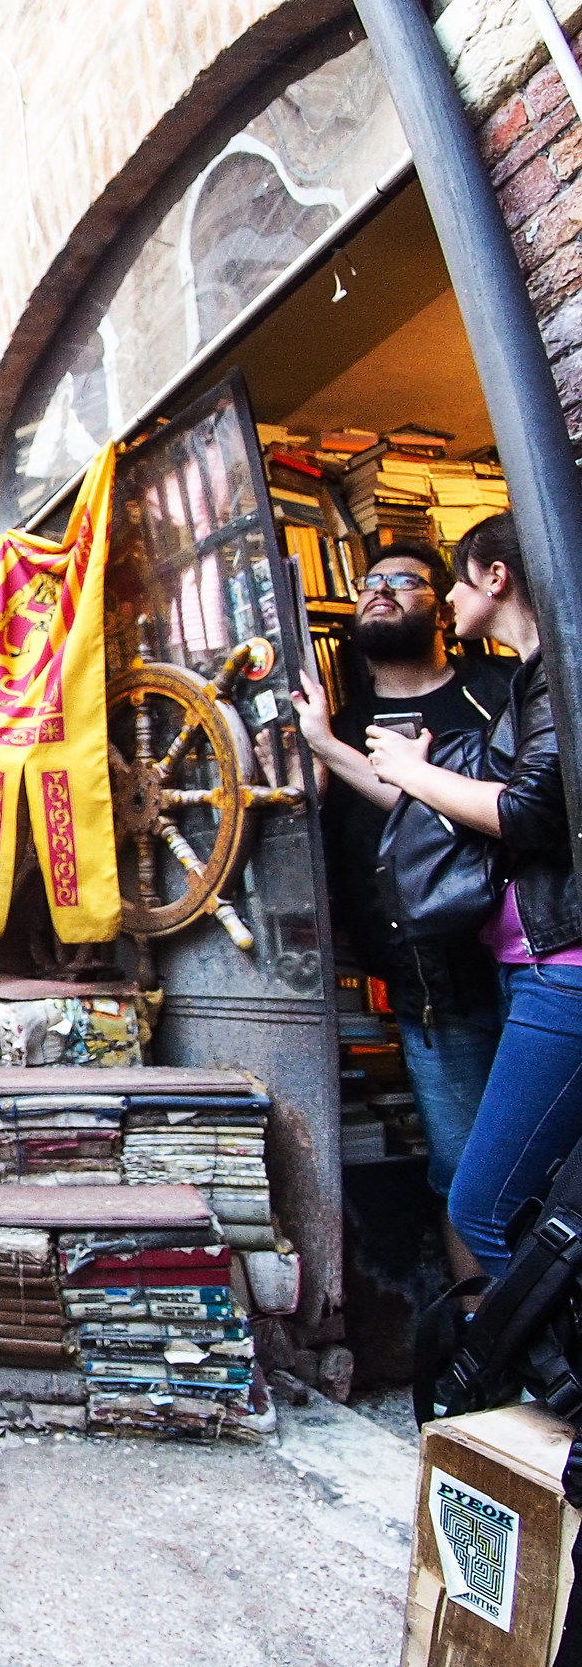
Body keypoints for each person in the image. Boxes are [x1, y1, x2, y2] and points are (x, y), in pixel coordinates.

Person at [366, 513, 582, 1277]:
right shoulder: (537, 675)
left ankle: (549, 1382)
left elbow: (526, 813)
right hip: (534, 967)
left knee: (484, 1206)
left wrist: (412, 772)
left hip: (565, 969)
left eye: (458, 577)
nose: (455, 596)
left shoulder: (558, 668)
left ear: (497, 579)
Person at [293, 543, 511, 1279]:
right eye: (369, 582)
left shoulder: (502, 691)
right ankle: (486, 1354)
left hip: (530, 968)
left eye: (404, 581)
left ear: (444, 605)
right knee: (463, 1172)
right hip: (430, 993)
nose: (380, 592)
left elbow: (506, 812)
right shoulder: (343, 727)